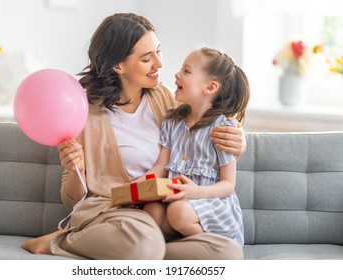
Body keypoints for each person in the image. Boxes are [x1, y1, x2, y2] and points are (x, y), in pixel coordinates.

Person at [21, 12, 246, 260]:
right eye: (147, 58)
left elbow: (206, 115)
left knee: (229, 253)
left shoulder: (166, 99)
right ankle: (62, 241)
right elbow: (71, 199)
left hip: (160, 213)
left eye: (158, 52)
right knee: (143, 241)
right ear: (119, 66)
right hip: (116, 213)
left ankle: (147, 255)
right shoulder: (82, 112)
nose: (159, 64)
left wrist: (239, 137)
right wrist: (76, 168)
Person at [141, 47, 249, 247]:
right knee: (151, 211)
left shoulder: (222, 128)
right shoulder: (172, 122)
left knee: (178, 211)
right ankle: (180, 248)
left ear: (210, 87)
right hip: (177, 200)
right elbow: (161, 166)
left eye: (186, 71)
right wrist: (136, 188)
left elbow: (228, 184)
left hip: (211, 201)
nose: (177, 74)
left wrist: (195, 192)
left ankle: (216, 249)